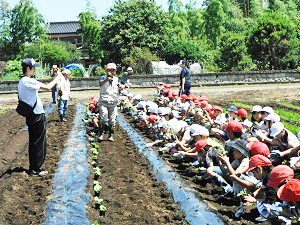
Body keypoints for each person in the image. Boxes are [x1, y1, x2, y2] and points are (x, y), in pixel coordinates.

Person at [18, 58, 62, 176]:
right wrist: (57, 78)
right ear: (28, 69)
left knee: (34, 141)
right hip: (36, 115)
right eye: (33, 67)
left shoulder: (22, 81)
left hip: (32, 115)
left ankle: (34, 167)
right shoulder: (28, 80)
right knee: (38, 142)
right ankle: (35, 169)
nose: (35, 69)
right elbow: (48, 87)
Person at [98, 63, 123, 142]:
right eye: (110, 70)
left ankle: (111, 134)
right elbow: (100, 83)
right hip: (104, 101)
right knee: (103, 118)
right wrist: (106, 80)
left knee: (112, 120)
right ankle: (101, 133)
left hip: (113, 102)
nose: (112, 72)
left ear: (115, 71)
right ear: (107, 71)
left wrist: (121, 87)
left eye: (113, 70)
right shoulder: (103, 78)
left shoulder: (117, 79)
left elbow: (122, 88)